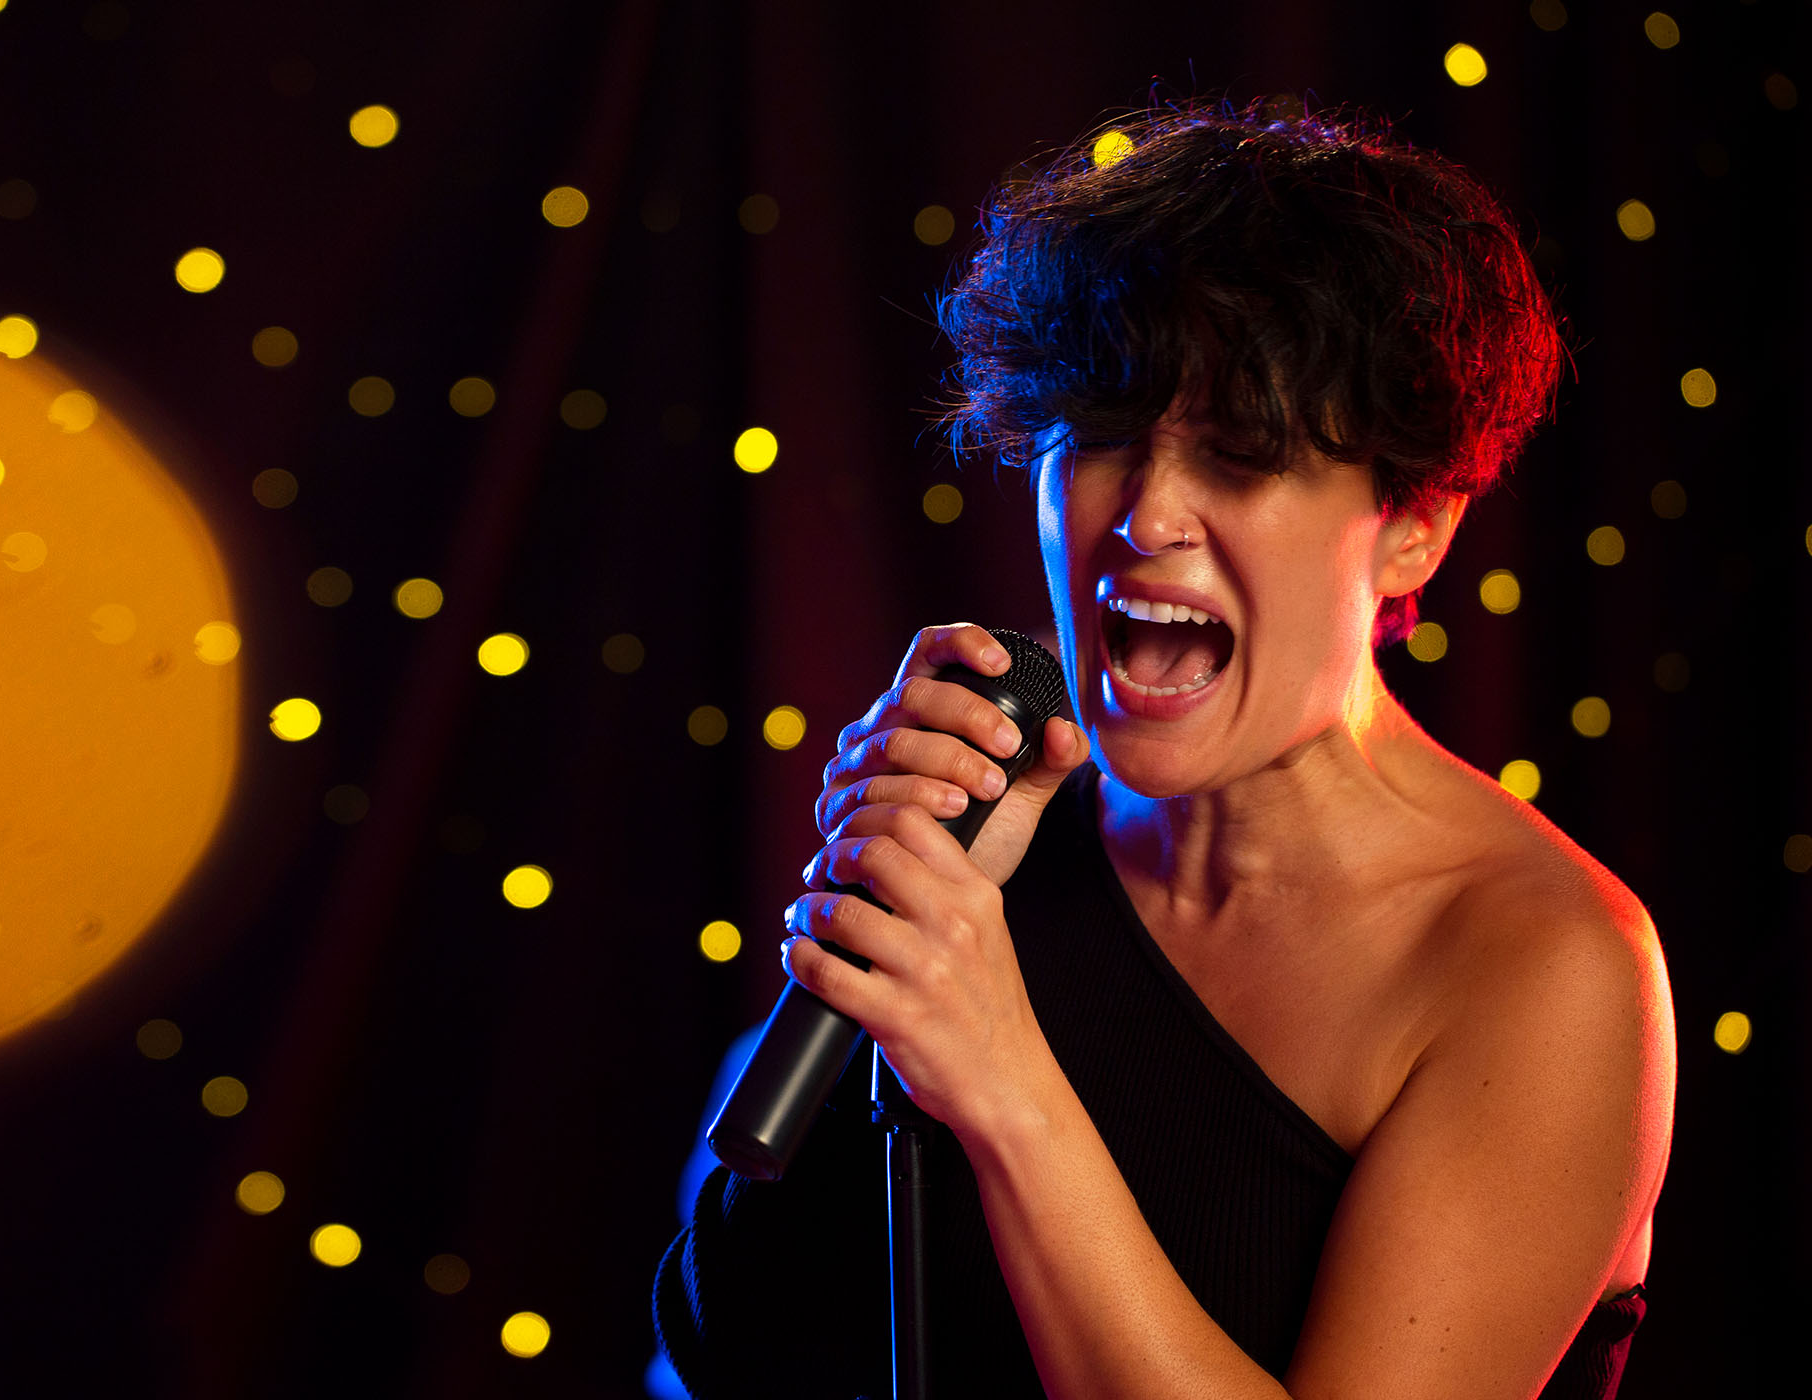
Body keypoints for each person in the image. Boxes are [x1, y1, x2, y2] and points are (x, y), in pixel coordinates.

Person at [654, 104, 1675, 1400]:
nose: (1146, 515)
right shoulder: (1004, 830)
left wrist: (1002, 1078)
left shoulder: (1547, 967)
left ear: (1413, 526)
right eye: (1103, 435)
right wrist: (893, 915)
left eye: (1241, 454)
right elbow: (734, 1342)